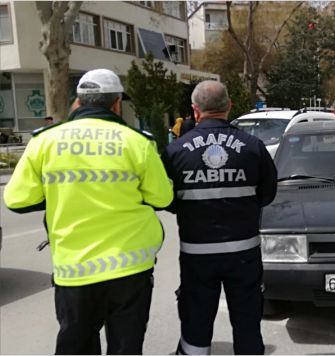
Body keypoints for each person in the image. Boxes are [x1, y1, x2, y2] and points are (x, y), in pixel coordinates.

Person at [3, 68, 173, 354]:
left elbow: (17, 200)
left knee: (76, 346)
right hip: (130, 268)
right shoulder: (138, 142)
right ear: (117, 103)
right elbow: (163, 198)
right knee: (126, 346)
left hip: (75, 270)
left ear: (78, 101)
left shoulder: (44, 141)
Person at [161, 80, 277, 355]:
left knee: (195, 325)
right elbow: (268, 194)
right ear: (229, 107)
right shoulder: (253, 146)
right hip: (243, 254)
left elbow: (164, 198)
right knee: (248, 325)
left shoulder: (175, 151)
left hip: (196, 254)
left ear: (195, 110)